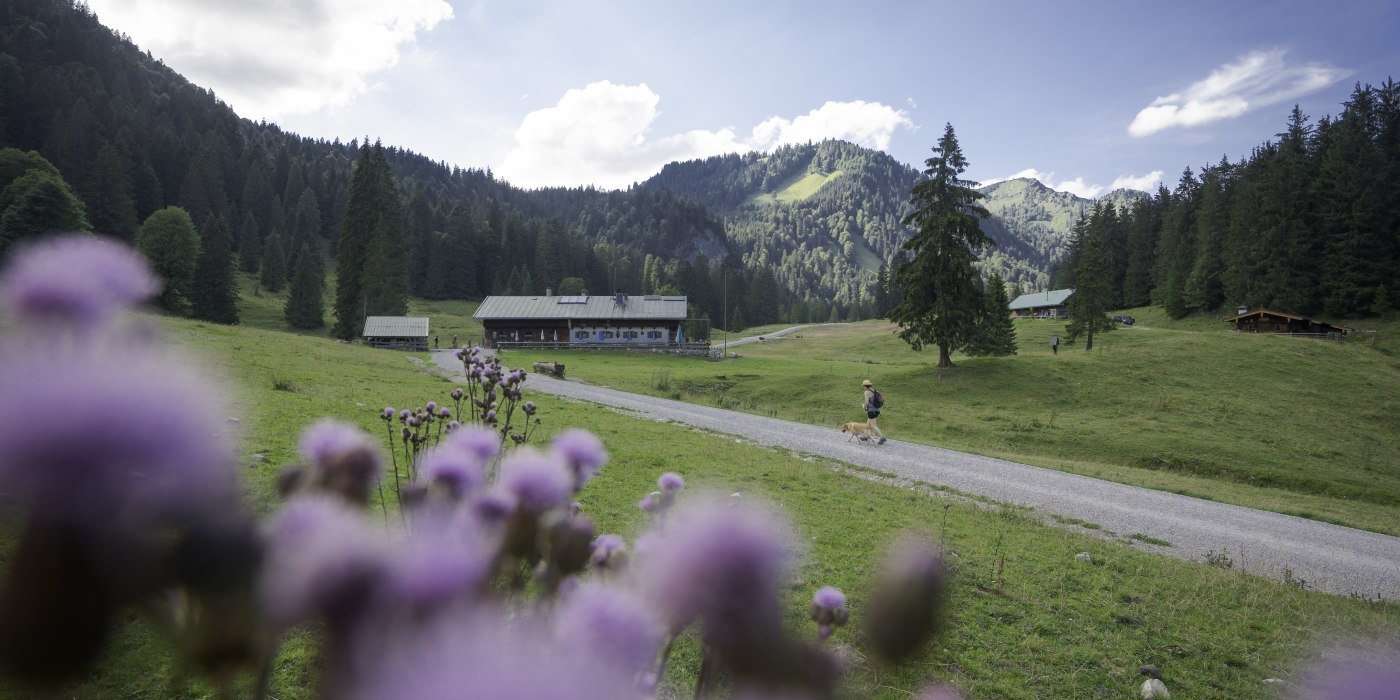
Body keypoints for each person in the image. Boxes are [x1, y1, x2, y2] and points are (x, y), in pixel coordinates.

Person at [862, 379, 886, 445]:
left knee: (873, 426)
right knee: (868, 424)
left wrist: (864, 407)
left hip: (871, 411)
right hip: (876, 410)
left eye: (863, 386)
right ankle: (866, 436)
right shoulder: (873, 390)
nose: (863, 387)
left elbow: (866, 402)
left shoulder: (866, 392)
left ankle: (882, 437)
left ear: (865, 386)